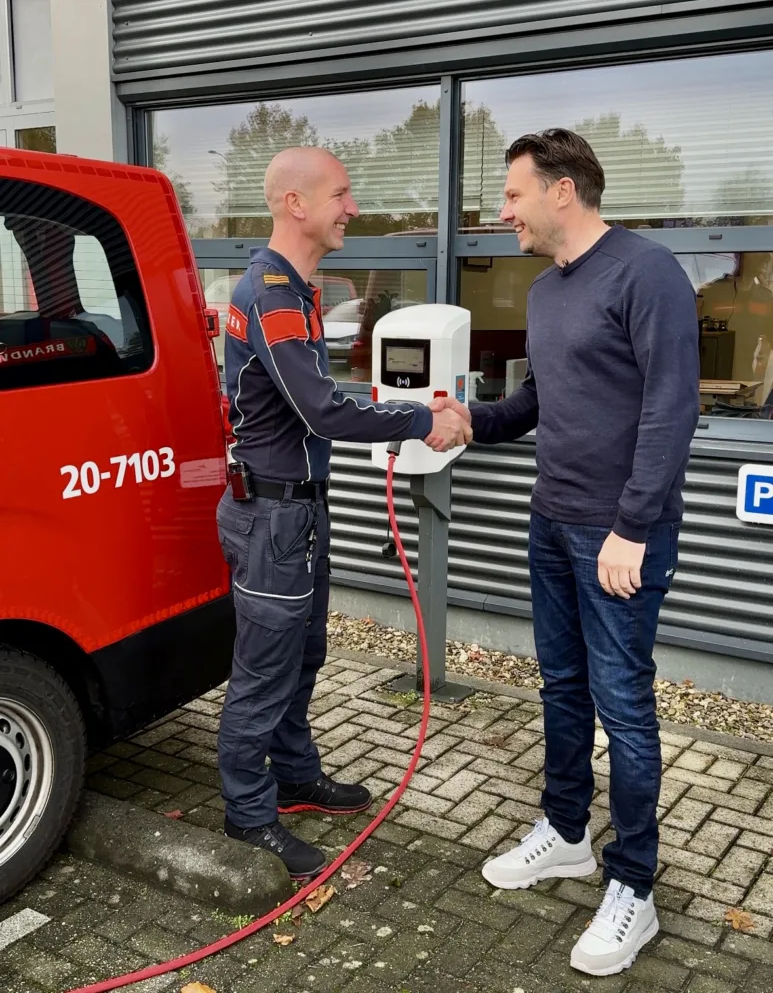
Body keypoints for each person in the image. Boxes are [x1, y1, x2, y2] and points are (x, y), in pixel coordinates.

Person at [431, 128, 699, 976]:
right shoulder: (546, 292)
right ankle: (567, 831)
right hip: (550, 521)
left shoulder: (645, 271)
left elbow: (670, 407)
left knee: (623, 706)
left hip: (617, 532)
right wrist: (471, 421)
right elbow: (539, 401)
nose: (500, 213)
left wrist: (632, 523)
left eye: (511, 195)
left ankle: (634, 886)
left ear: (561, 191)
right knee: (561, 684)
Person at [217, 146, 470, 881]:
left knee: (302, 658)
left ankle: (293, 777)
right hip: (272, 521)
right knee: (262, 673)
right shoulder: (269, 294)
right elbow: (323, 413)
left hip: (293, 516)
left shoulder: (295, 293)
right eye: (340, 193)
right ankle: (248, 812)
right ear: (295, 204)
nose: (351, 207)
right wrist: (418, 418)